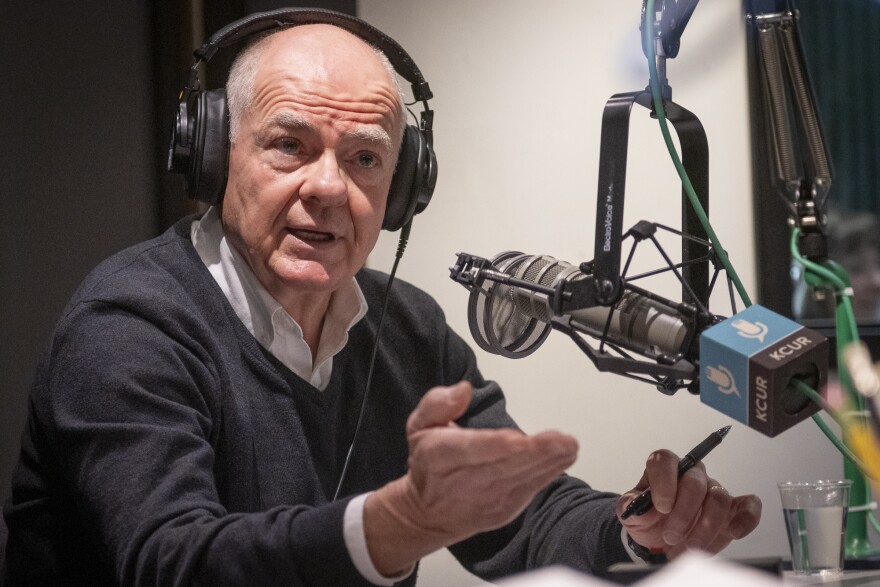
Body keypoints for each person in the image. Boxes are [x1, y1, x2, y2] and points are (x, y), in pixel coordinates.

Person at [3, 15, 761, 586]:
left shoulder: (405, 327)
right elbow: (172, 560)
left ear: (401, 189)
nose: (330, 187)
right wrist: (396, 523)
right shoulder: (126, 327)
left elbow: (524, 520)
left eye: (365, 158)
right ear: (211, 155)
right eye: (289, 145)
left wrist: (640, 527)